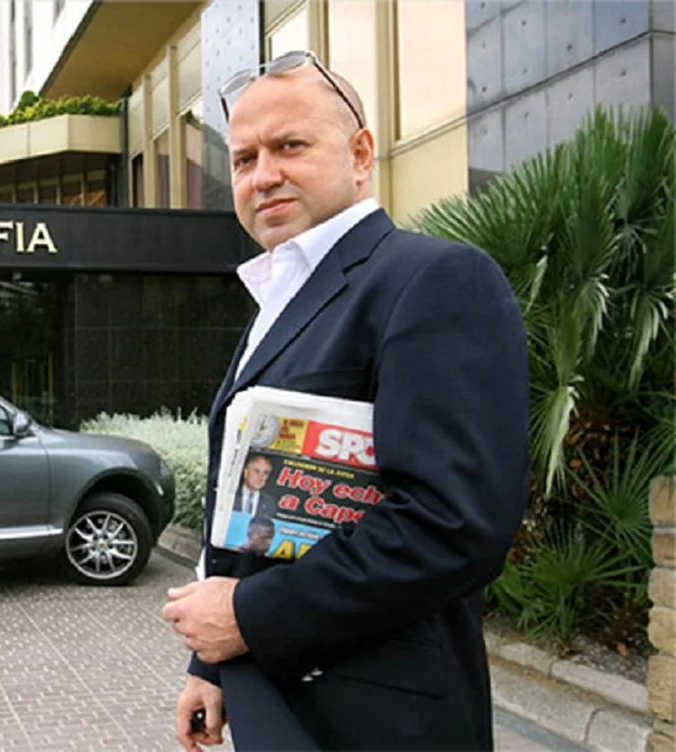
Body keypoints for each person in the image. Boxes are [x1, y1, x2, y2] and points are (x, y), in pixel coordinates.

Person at [160, 50, 530, 751]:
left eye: (289, 146)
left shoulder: (436, 280)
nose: (263, 175)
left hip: (381, 724)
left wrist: (249, 619)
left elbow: (453, 524)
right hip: (279, 700)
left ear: (360, 154)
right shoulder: (279, 299)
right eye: (243, 160)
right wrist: (211, 666)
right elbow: (250, 507)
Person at [230, 453, 277, 517]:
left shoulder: (270, 503)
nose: (261, 477)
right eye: (256, 472)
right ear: (246, 473)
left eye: (265, 473)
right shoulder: (231, 494)